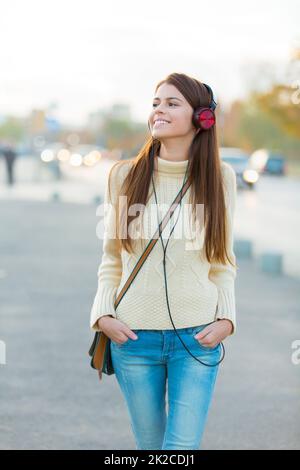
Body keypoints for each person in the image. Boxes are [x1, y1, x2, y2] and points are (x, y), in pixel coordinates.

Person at [89, 72, 238, 450]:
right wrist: (102, 315)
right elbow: (112, 257)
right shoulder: (124, 175)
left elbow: (222, 260)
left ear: (202, 118)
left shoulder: (220, 177)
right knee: (151, 448)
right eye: (156, 103)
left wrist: (227, 319)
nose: (159, 110)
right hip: (133, 338)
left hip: (198, 338)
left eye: (172, 103)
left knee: (180, 449)